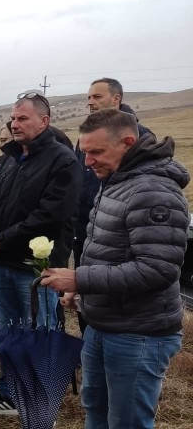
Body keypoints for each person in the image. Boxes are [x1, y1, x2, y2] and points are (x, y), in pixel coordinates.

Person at [40, 109, 188, 429]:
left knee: (131, 427)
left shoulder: (154, 192)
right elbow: (110, 253)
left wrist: (80, 279)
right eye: (84, 153)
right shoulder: (118, 181)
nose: (88, 162)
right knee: (99, 409)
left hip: (140, 333)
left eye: (96, 153)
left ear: (127, 143)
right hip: (106, 323)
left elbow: (157, 269)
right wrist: (82, 293)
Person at [0, 91, 82, 415]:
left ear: (44, 121)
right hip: (3, 262)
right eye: (12, 118)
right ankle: (10, 394)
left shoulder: (62, 161)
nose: (15, 124)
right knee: (8, 332)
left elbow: (50, 215)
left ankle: (40, 402)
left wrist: (1, 238)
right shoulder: (7, 159)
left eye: (22, 118)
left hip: (37, 269)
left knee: (39, 332)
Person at [72, 78, 151, 334]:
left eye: (97, 97)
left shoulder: (140, 135)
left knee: (110, 299)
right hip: (85, 228)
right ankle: (88, 346)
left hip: (117, 233)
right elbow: (78, 177)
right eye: (88, 97)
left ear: (116, 99)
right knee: (85, 298)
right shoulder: (86, 136)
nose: (90, 102)